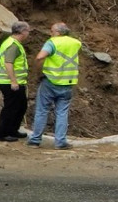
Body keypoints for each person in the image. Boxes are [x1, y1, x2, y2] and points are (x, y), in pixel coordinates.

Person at [26, 22, 83, 150]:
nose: (50, 34)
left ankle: (35, 140)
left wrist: (37, 70)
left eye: (52, 31)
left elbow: (40, 57)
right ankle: (60, 142)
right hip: (67, 83)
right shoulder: (75, 43)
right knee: (62, 113)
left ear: (58, 32)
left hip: (50, 81)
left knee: (42, 110)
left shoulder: (52, 42)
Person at [0, 20, 30, 142]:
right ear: (22, 32)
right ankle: (1, 134)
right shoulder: (13, 45)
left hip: (14, 82)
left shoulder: (13, 43)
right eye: (28, 31)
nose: (28, 33)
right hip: (9, 82)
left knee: (21, 106)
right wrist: (13, 81)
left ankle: (12, 130)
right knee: (10, 108)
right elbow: (9, 63)